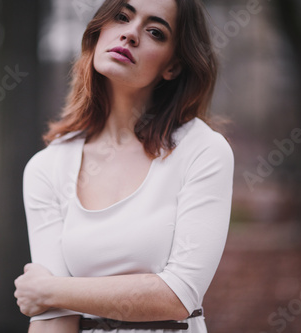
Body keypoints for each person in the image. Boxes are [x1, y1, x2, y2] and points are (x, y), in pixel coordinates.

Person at [14, 0, 234, 331]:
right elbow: (53, 321)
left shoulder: (202, 151)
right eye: (121, 17)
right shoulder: (47, 167)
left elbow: (178, 295)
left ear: (172, 66)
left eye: (155, 32)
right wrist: (52, 300)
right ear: (100, 29)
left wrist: (50, 290)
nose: (130, 34)